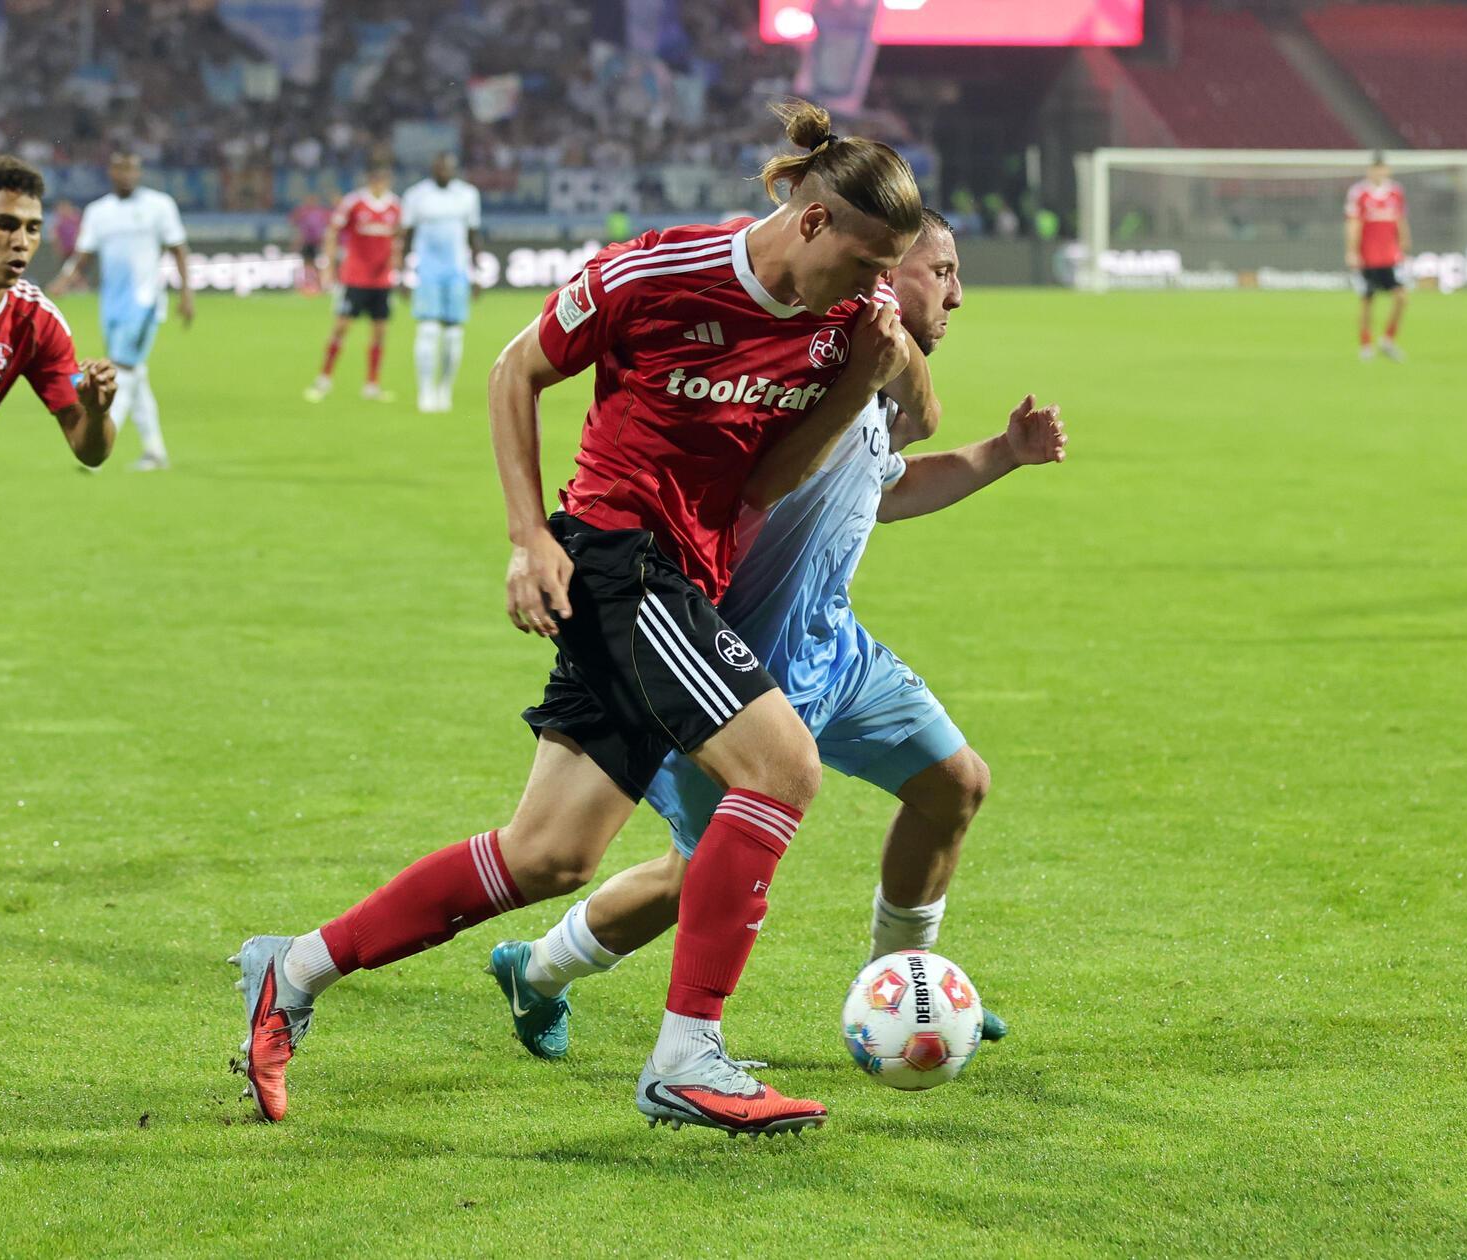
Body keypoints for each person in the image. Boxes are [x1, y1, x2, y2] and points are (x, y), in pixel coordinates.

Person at [231, 100, 932, 1137]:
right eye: (873, 262)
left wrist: (861, 381)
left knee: (548, 855)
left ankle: (290, 970)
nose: (882, 288)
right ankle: (687, 1056)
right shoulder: (653, 274)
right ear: (815, 221)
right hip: (614, 556)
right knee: (783, 769)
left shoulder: (840, 331)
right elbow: (517, 370)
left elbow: (767, 484)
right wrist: (528, 537)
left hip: (686, 576)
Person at [486, 209, 1067, 1067]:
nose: (956, 294)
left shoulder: (864, 372)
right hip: (732, 668)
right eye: (939, 271)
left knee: (954, 786)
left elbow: (884, 487)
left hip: (836, 650)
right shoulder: (802, 371)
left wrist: (1000, 455)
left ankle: (899, 984)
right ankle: (538, 968)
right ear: (880, 270)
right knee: (695, 880)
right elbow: (760, 481)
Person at [0, 156, 118, 683]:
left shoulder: (35, 323)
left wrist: (95, 410)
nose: (21, 240)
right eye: (5, 224)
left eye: (32, 228)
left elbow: (89, 450)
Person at [49, 152, 192, 471]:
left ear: (138, 171)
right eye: (118, 167)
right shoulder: (99, 212)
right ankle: (155, 451)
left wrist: (186, 294)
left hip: (144, 303)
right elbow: (83, 255)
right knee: (136, 374)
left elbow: (178, 249)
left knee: (123, 370)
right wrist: (63, 281)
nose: (125, 173)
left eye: (130, 167)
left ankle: (95, 454)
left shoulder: (159, 206)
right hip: (111, 305)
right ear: (110, 172)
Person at [305, 161, 401, 402]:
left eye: (385, 179)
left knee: (380, 332)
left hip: (382, 280)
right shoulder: (354, 203)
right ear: (370, 180)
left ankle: (372, 384)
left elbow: (398, 239)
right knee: (341, 327)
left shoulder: (395, 206)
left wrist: (397, 268)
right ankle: (324, 379)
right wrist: (328, 267)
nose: (381, 184)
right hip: (355, 277)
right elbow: (332, 232)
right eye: (377, 179)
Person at [401, 153, 483, 414]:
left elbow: (472, 236)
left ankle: (444, 388)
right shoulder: (416, 196)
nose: (444, 171)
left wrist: (477, 274)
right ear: (433, 169)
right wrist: (402, 274)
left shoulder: (468, 195)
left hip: (457, 272)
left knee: (453, 334)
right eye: (440, 167)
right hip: (428, 273)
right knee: (427, 330)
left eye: (448, 167)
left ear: (455, 169)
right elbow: (407, 237)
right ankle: (425, 390)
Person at [1344, 153, 1410, 362]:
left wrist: (1404, 243)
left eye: (1382, 168)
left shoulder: (1395, 192)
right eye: (1375, 168)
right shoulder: (1359, 193)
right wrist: (1352, 252)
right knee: (1367, 300)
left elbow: (1400, 219)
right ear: (1369, 170)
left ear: (1387, 170)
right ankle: (1365, 344)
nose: (1379, 172)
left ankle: (1388, 340)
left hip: (1390, 256)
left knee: (1401, 297)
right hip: (1368, 257)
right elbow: (1353, 223)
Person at [288, 193, 330, 295]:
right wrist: (296, 241)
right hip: (306, 242)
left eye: (313, 200)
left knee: (317, 265)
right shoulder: (302, 211)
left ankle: (318, 285)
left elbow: (330, 225)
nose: (311, 202)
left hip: (318, 242)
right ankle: (307, 285)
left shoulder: (322, 212)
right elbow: (294, 224)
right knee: (306, 264)